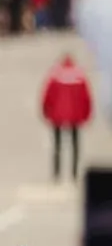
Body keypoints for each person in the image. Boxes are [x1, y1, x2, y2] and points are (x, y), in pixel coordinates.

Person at [41, 53, 93, 183]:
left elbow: (47, 96)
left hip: (57, 116)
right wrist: (86, 115)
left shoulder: (55, 74)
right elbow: (86, 98)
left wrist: (46, 112)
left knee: (57, 146)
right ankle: (74, 173)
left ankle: (57, 173)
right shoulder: (79, 75)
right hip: (75, 116)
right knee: (75, 146)